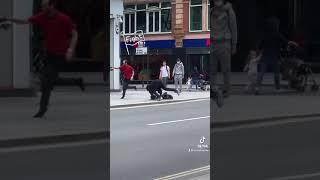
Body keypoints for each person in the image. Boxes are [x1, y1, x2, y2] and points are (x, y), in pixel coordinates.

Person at [1, 0, 85, 118]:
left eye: (44, 6)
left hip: (60, 55)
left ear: (52, 5)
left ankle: (42, 109)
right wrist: (9, 18)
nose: (42, 8)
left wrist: (70, 50)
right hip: (49, 55)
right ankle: (77, 81)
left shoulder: (63, 19)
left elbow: (75, 34)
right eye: (42, 6)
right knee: (52, 80)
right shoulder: (42, 17)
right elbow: (25, 21)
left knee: (46, 82)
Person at [211, 0, 237, 98]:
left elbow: (234, 28)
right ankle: (213, 90)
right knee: (212, 69)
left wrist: (234, 44)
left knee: (225, 69)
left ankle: (226, 90)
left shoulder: (229, 12)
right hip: (212, 43)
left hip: (224, 43)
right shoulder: (211, 11)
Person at [256, 16, 289, 94]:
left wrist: (258, 52)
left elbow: (260, 45)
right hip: (275, 56)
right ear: (276, 25)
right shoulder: (278, 34)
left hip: (265, 56)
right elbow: (285, 42)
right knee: (276, 73)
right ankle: (277, 88)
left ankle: (257, 87)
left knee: (261, 73)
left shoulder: (265, 34)